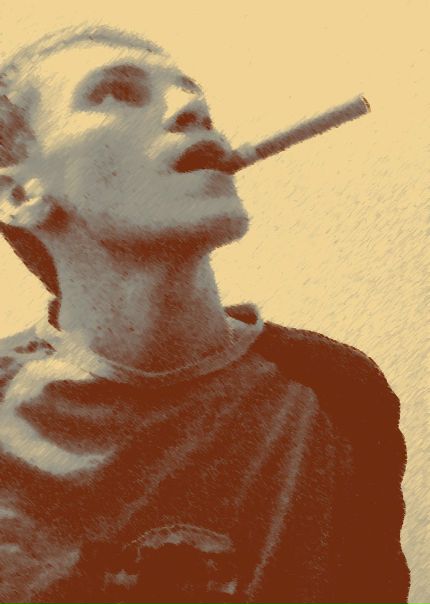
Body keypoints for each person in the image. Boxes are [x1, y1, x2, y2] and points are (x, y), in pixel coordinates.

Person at [0, 25, 409, 604]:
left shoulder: (338, 389)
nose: (190, 108)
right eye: (115, 92)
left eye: (191, 90)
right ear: (19, 196)